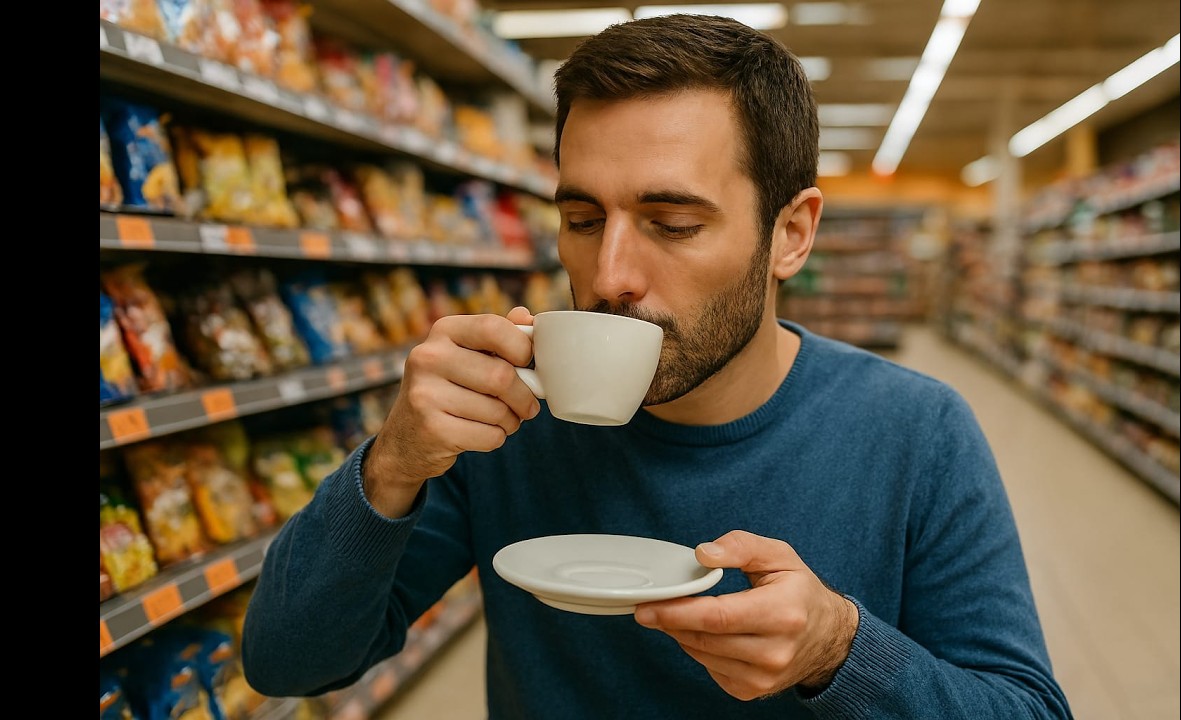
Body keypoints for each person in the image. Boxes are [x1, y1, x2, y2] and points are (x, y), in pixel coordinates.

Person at [241, 13, 1073, 719]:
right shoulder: (504, 425)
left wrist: (839, 651)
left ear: (792, 233)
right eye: (580, 216)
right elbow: (288, 664)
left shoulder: (917, 430)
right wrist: (391, 463)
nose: (608, 278)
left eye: (671, 223)